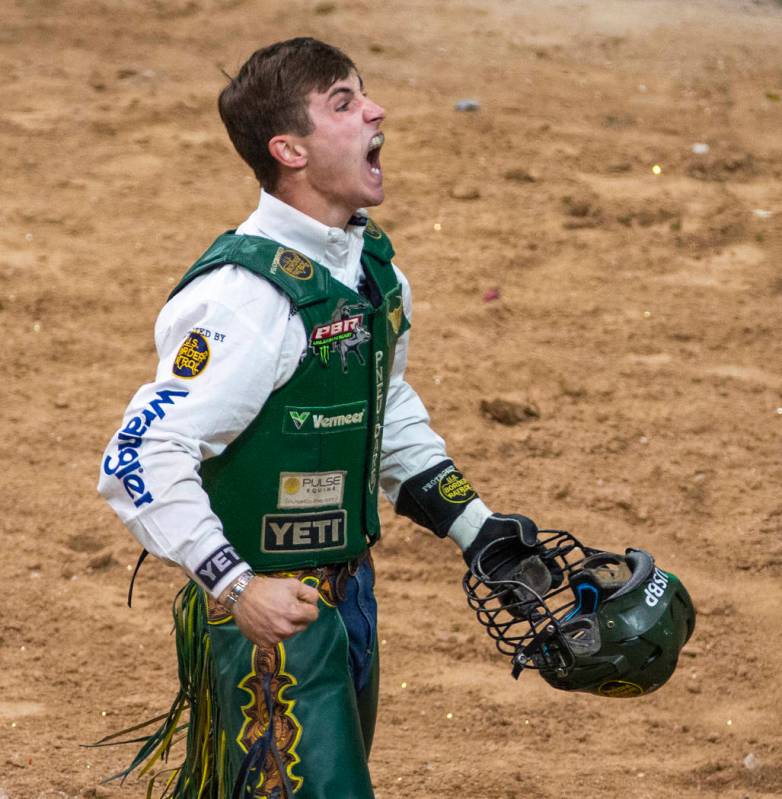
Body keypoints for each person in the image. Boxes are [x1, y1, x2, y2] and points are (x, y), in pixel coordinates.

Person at [97, 37, 538, 799]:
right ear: (289, 149)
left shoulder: (370, 270)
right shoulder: (245, 297)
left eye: (362, 93)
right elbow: (137, 455)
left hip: (347, 594)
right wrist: (235, 587)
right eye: (343, 102)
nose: (375, 110)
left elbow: (382, 405)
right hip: (271, 614)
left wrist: (477, 528)